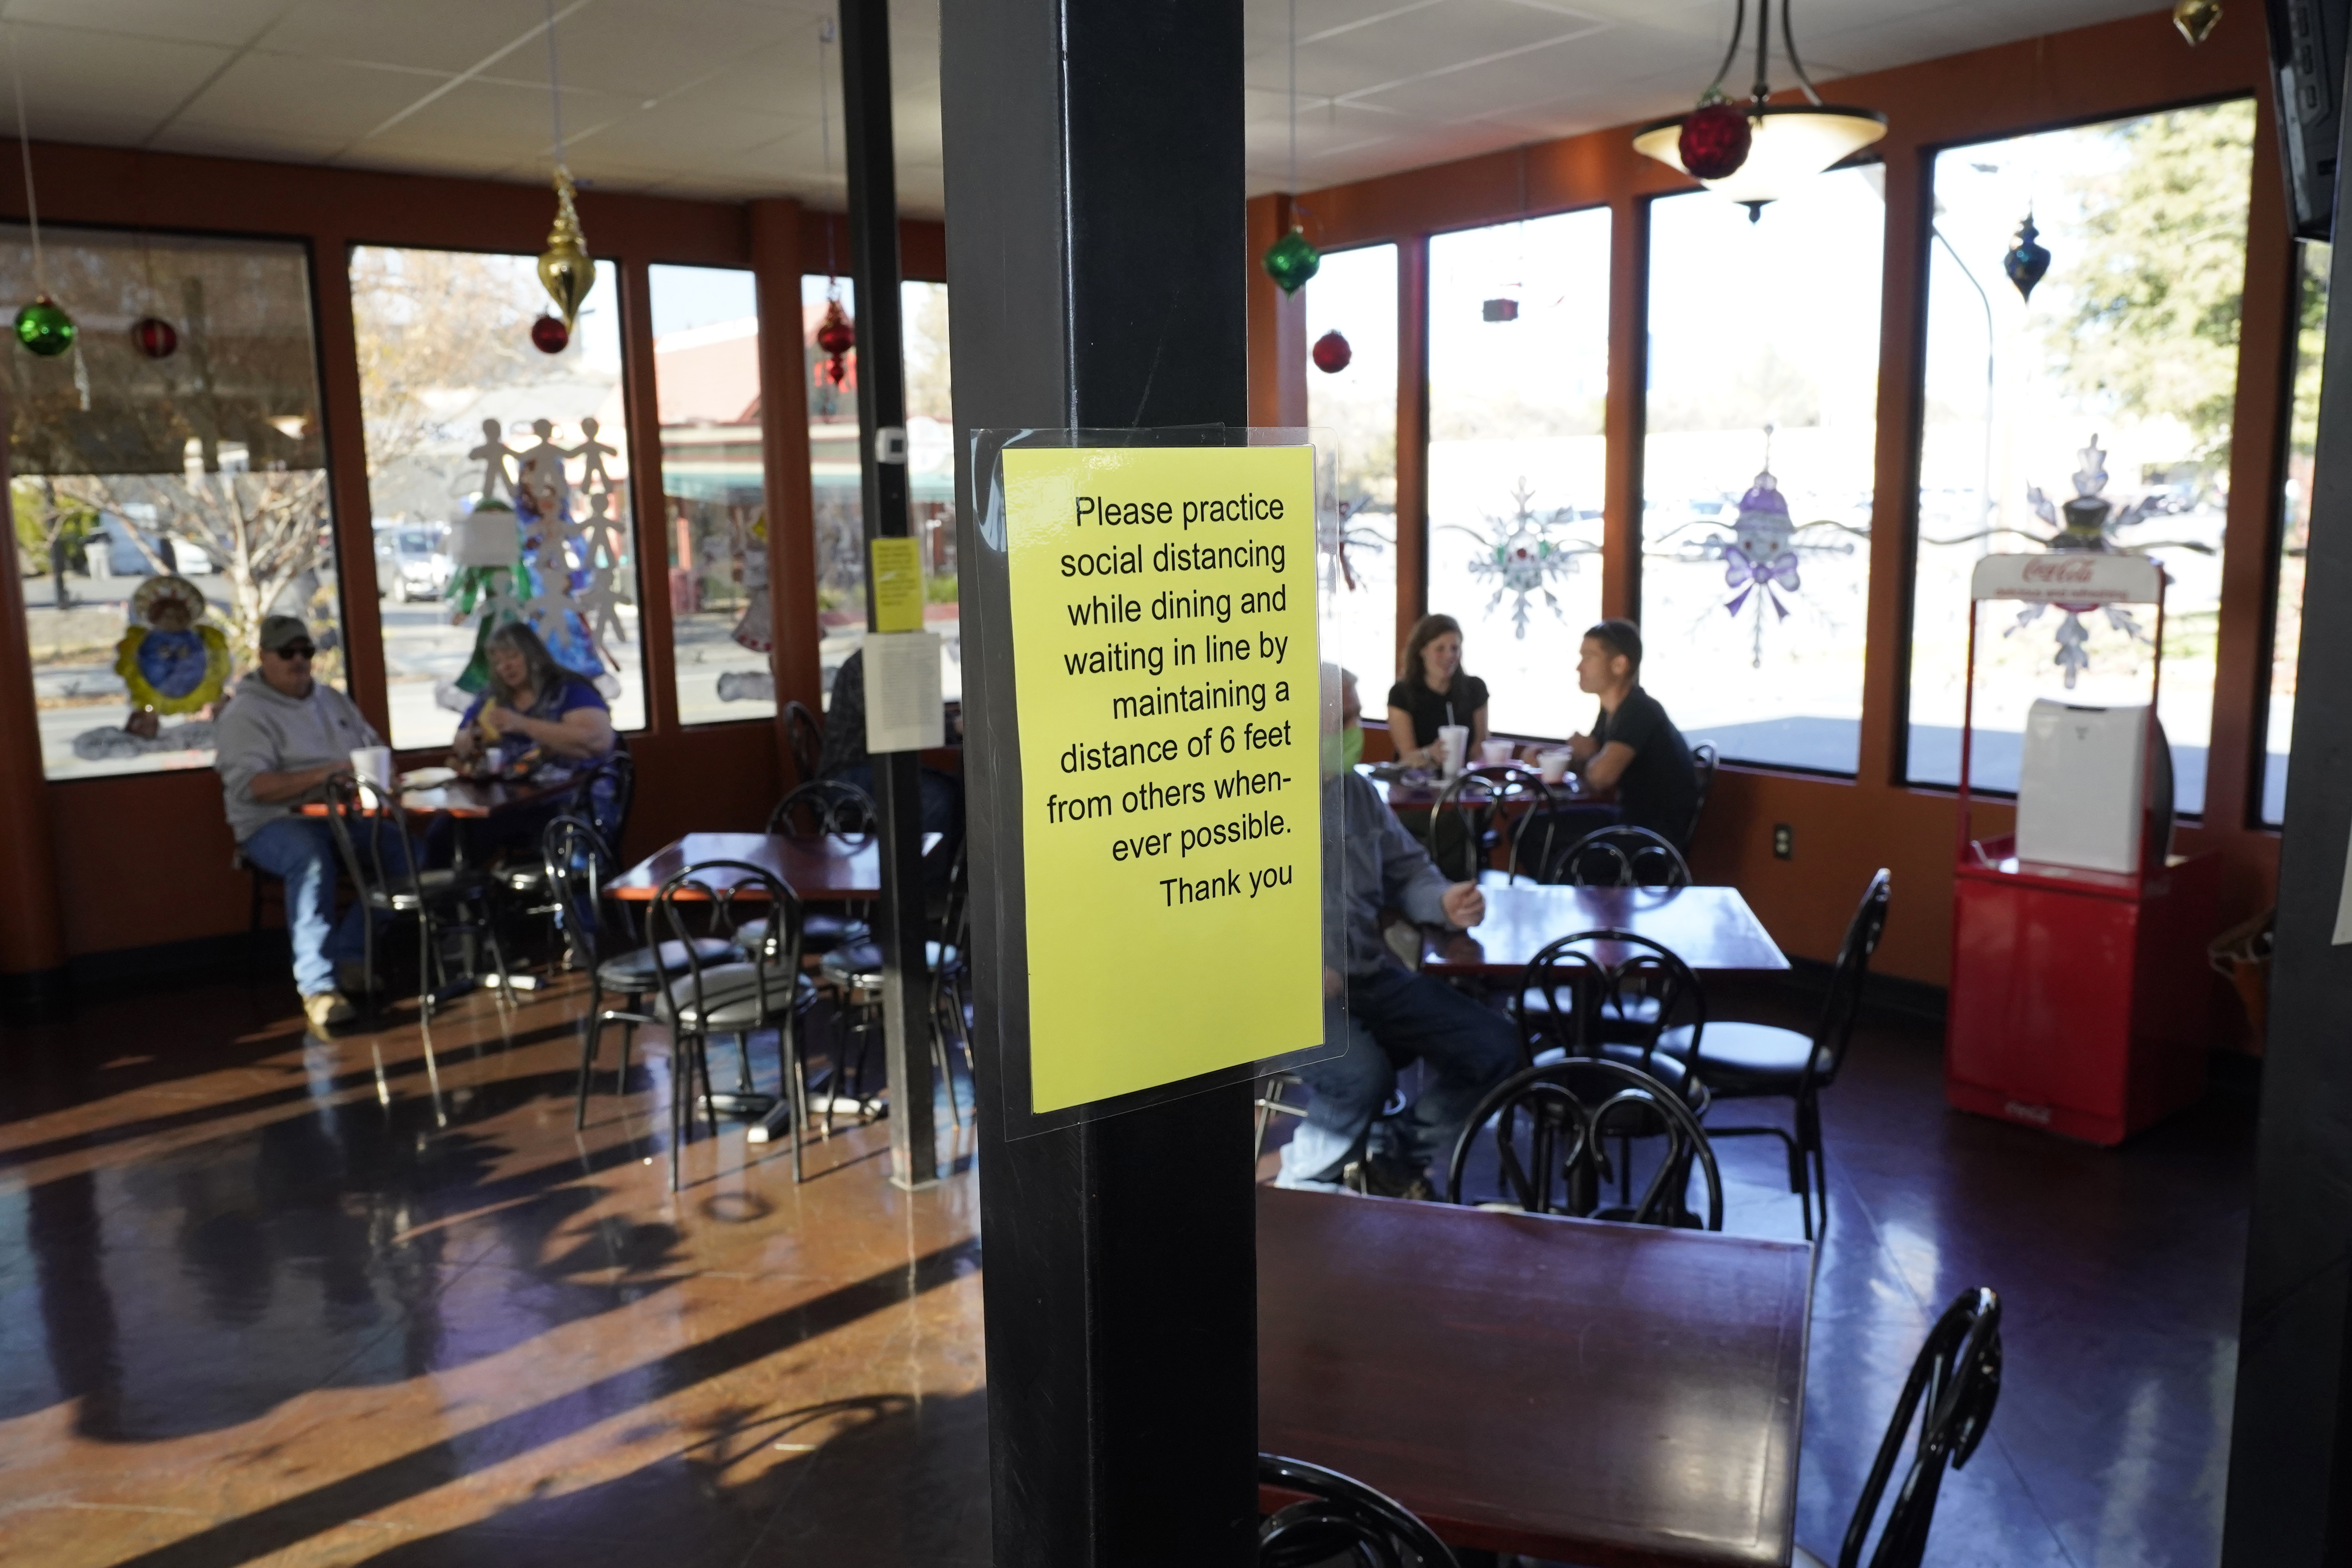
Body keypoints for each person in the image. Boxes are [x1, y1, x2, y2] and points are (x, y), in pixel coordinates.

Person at [1280, 666, 1520, 1196]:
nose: (1355, 729)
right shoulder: (1250, 807)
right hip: (1281, 996)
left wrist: (1444, 900)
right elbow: (1223, 922)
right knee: (1360, 1078)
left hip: (1367, 977)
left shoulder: (1357, 792)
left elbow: (1408, 869)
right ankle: (1298, 1190)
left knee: (1495, 1046)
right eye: (1343, 719)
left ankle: (1395, 1160)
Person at [213, 614, 387, 1032]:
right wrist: (328, 774)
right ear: (263, 657)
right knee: (311, 862)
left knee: (406, 854)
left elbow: (373, 747)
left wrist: (378, 774)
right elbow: (255, 787)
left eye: (305, 652)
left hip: (343, 814)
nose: (298, 660)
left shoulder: (333, 700)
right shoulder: (245, 713)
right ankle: (318, 987)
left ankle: (350, 955)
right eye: (286, 653)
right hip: (272, 821)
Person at [448, 620, 619, 858]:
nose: (505, 667)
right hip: (512, 803)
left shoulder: (568, 689)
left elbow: (598, 740)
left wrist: (521, 724)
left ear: (532, 654)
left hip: (575, 801)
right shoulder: (493, 697)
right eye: (497, 662)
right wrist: (470, 738)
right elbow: (461, 739)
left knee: (559, 843)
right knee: (451, 831)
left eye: (512, 657)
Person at [1566, 619, 1698, 846]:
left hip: (1649, 838)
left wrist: (1586, 754)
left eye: (1589, 657)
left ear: (1619, 665)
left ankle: (1569, 882)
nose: (1579, 667)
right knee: (1530, 829)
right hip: (1628, 821)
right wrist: (1546, 758)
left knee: (1545, 839)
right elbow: (1593, 757)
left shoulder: (1639, 711)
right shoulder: (1610, 711)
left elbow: (1600, 776)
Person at [818, 647, 963, 839]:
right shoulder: (867, 666)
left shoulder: (896, 663)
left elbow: (920, 713)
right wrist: (954, 726)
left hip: (880, 766)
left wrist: (952, 724)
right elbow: (894, 724)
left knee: (956, 787)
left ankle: (945, 865)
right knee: (936, 799)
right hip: (846, 775)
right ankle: (916, 867)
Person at [1386, 613, 1488, 772]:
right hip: (1416, 786)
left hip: (1464, 783)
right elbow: (1407, 756)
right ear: (1422, 651)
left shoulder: (1475, 688)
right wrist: (1429, 754)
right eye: (1440, 649)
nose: (1449, 656)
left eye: (1455, 649)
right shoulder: (1401, 694)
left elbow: (1480, 746)